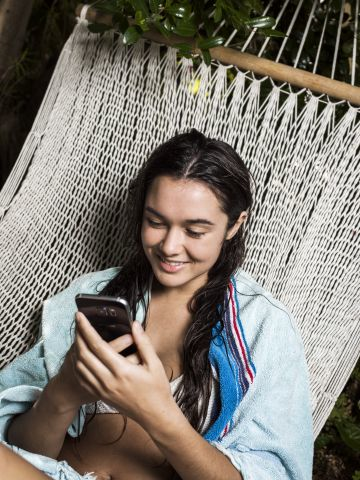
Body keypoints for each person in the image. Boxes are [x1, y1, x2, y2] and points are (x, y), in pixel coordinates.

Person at [0, 129, 313, 480]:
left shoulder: (262, 327)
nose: (170, 246)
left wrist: (157, 412)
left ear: (234, 225)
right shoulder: (101, 294)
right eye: (155, 222)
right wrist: (64, 392)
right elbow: (23, 452)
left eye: (195, 231)